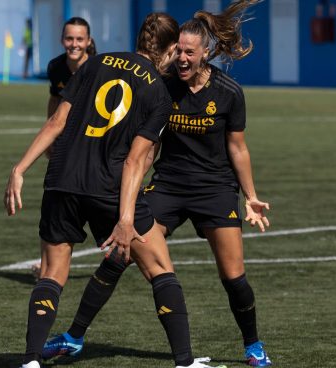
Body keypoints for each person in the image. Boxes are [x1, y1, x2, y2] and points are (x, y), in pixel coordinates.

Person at [41, 1, 273, 366]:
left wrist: (251, 196)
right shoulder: (161, 87)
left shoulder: (228, 92)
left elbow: (238, 148)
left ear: (206, 53)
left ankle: (253, 345)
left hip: (215, 189)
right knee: (121, 251)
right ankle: (73, 337)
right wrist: (126, 198)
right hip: (168, 185)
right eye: (177, 49)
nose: (181, 58)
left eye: (189, 52)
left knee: (233, 276)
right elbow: (147, 150)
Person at [5, 13, 225, 368]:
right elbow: (136, 161)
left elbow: (56, 122)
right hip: (109, 187)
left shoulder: (94, 63)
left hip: (63, 178)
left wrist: (19, 169)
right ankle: (185, 362)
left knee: (51, 272)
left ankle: (30, 360)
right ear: (169, 50)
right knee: (159, 268)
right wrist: (125, 218)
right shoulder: (157, 89)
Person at [32, 16, 97, 277]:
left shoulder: (97, 67)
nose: (74, 44)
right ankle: (46, 264)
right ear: (62, 40)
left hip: (92, 144)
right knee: (52, 201)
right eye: (69, 38)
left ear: (89, 41)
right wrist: (50, 136)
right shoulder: (56, 67)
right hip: (65, 145)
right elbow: (54, 100)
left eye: (80, 39)